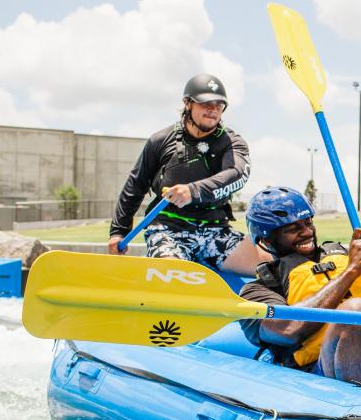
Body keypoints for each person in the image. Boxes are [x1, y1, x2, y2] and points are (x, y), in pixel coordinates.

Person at [238, 187, 361, 389]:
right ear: (267, 239)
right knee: (356, 311)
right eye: (293, 229)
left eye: (308, 222)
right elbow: (288, 329)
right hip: (320, 373)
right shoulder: (258, 290)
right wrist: (351, 271)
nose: (307, 232)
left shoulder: (347, 257)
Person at [108, 74, 260, 275]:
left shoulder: (232, 142)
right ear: (187, 103)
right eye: (205, 103)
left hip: (216, 231)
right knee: (173, 275)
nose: (212, 110)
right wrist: (119, 231)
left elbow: (237, 174)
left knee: (268, 267)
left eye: (218, 105)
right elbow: (135, 187)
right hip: (167, 230)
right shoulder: (159, 141)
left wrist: (193, 191)